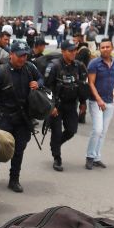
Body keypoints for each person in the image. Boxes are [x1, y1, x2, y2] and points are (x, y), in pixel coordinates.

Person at [0, 40, 44, 193]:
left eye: (25, 55)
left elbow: (41, 79)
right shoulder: (1, 72)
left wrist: (37, 84)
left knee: (19, 150)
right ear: (11, 55)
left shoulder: (30, 68)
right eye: (19, 55)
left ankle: (14, 179)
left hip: (23, 118)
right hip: (4, 117)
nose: (22, 58)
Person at [44, 40, 87, 172]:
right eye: (70, 51)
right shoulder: (54, 66)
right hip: (57, 105)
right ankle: (57, 158)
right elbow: (46, 88)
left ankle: (55, 144)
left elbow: (81, 85)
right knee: (56, 132)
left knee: (72, 130)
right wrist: (51, 106)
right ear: (63, 52)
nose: (74, 53)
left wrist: (83, 102)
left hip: (71, 104)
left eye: (75, 50)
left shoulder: (79, 66)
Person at [86, 38, 114, 170]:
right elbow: (90, 83)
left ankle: (97, 157)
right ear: (99, 49)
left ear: (112, 48)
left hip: (109, 101)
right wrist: (98, 99)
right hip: (95, 101)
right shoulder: (94, 64)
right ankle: (90, 157)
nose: (105, 49)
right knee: (97, 130)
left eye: (107, 47)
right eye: (102, 47)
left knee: (103, 131)